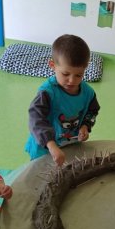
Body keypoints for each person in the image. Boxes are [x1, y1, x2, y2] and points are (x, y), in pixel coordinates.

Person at [25, 34, 100, 165]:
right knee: (40, 177)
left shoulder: (88, 93)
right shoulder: (47, 93)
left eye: (78, 75)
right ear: (53, 65)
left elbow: (92, 112)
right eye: (65, 74)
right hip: (45, 148)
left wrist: (85, 126)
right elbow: (36, 120)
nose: (72, 81)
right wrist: (51, 145)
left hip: (70, 145)